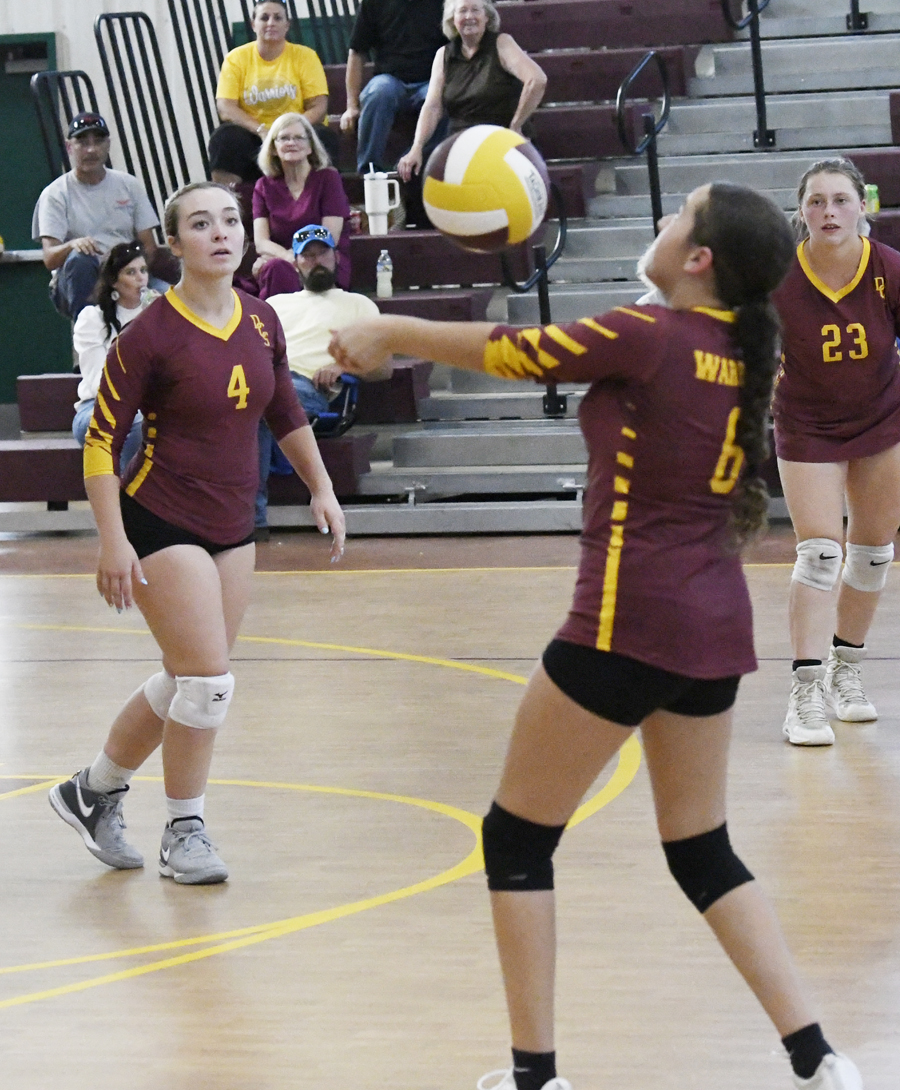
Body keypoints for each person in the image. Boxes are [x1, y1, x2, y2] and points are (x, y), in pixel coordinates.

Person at [330, 183, 863, 1090]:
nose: (661, 227)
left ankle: (535, 1078)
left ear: (698, 260)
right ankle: (820, 1060)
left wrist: (392, 329)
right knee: (700, 849)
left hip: (625, 622)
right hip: (714, 629)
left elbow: (520, 349)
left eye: (677, 217)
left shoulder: (650, 334)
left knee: (516, 838)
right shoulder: (740, 350)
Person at [49, 182, 345, 886]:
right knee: (209, 682)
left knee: (190, 675)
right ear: (173, 243)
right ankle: (185, 831)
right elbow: (100, 441)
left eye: (230, 222)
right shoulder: (149, 334)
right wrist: (112, 539)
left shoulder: (262, 321)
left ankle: (92, 791)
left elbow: (283, 413)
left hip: (232, 523)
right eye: (201, 224)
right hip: (160, 516)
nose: (221, 233)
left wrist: (320, 485)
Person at [772, 158, 900, 747]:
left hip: (882, 420)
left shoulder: (887, 270)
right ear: (802, 211)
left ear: (862, 207)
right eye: (818, 201)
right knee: (821, 553)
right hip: (808, 428)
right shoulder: (777, 276)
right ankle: (805, 690)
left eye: (842, 200)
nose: (830, 211)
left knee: (873, 554)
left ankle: (846, 670)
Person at [255, 223, 383, 534]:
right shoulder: (275, 305)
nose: (316, 261)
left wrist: (344, 368)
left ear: (336, 257)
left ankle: (252, 519)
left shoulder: (358, 304)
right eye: (307, 256)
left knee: (261, 405)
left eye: (322, 254)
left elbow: (383, 367)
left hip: (309, 385)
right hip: (267, 376)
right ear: (295, 263)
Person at [32, 112, 164, 320]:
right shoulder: (55, 193)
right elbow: (50, 258)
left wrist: (132, 272)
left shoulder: (129, 185)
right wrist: (72, 245)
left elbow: (149, 246)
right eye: (82, 142)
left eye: (98, 141)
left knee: (171, 300)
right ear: (69, 147)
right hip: (80, 279)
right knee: (79, 259)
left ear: (108, 145)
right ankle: (87, 333)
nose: (91, 149)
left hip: (127, 272)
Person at [397, 0, 547, 183]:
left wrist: (515, 126)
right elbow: (432, 106)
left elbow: (537, 80)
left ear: (487, 17)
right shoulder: (443, 55)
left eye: (475, 10)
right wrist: (416, 147)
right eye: (462, 11)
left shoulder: (502, 44)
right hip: (461, 147)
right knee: (411, 168)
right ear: (453, 20)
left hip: (502, 143)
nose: (469, 17)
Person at [211, 0, 336, 186]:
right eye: (264, 18)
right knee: (225, 137)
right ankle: (227, 202)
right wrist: (262, 131)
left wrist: (289, 132)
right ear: (254, 25)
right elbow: (225, 107)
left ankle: (321, 201)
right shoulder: (236, 58)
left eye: (278, 18)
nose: (271, 23)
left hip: (296, 133)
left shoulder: (305, 56)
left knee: (324, 137)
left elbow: (318, 106)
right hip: (256, 136)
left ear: (287, 25)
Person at [72, 241, 154, 471]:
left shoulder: (158, 314)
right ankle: (126, 497)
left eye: (143, 271)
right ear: (114, 282)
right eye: (131, 272)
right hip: (97, 407)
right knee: (134, 420)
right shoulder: (92, 319)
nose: (141, 279)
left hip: (152, 406)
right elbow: (100, 380)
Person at [251, 113, 351, 298]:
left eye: (299, 138)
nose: (291, 143)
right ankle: (276, 326)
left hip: (321, 259)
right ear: (273, 148)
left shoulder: (328, 178)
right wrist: (289, 258)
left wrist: (297, 259)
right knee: (275, 268)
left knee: (276, 267)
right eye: (284, 138)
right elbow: (261, 242)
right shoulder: (263, 186)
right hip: (282, 264)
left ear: (310, 147)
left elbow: (330, 236)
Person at [340, 0, 446, 174]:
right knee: (379, 92)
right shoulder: (372, 3)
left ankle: (411, 163)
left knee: (444, 98)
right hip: (390, 80)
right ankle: (369, 171)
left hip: (431, 80)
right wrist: (351, 106)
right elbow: (357, 52)